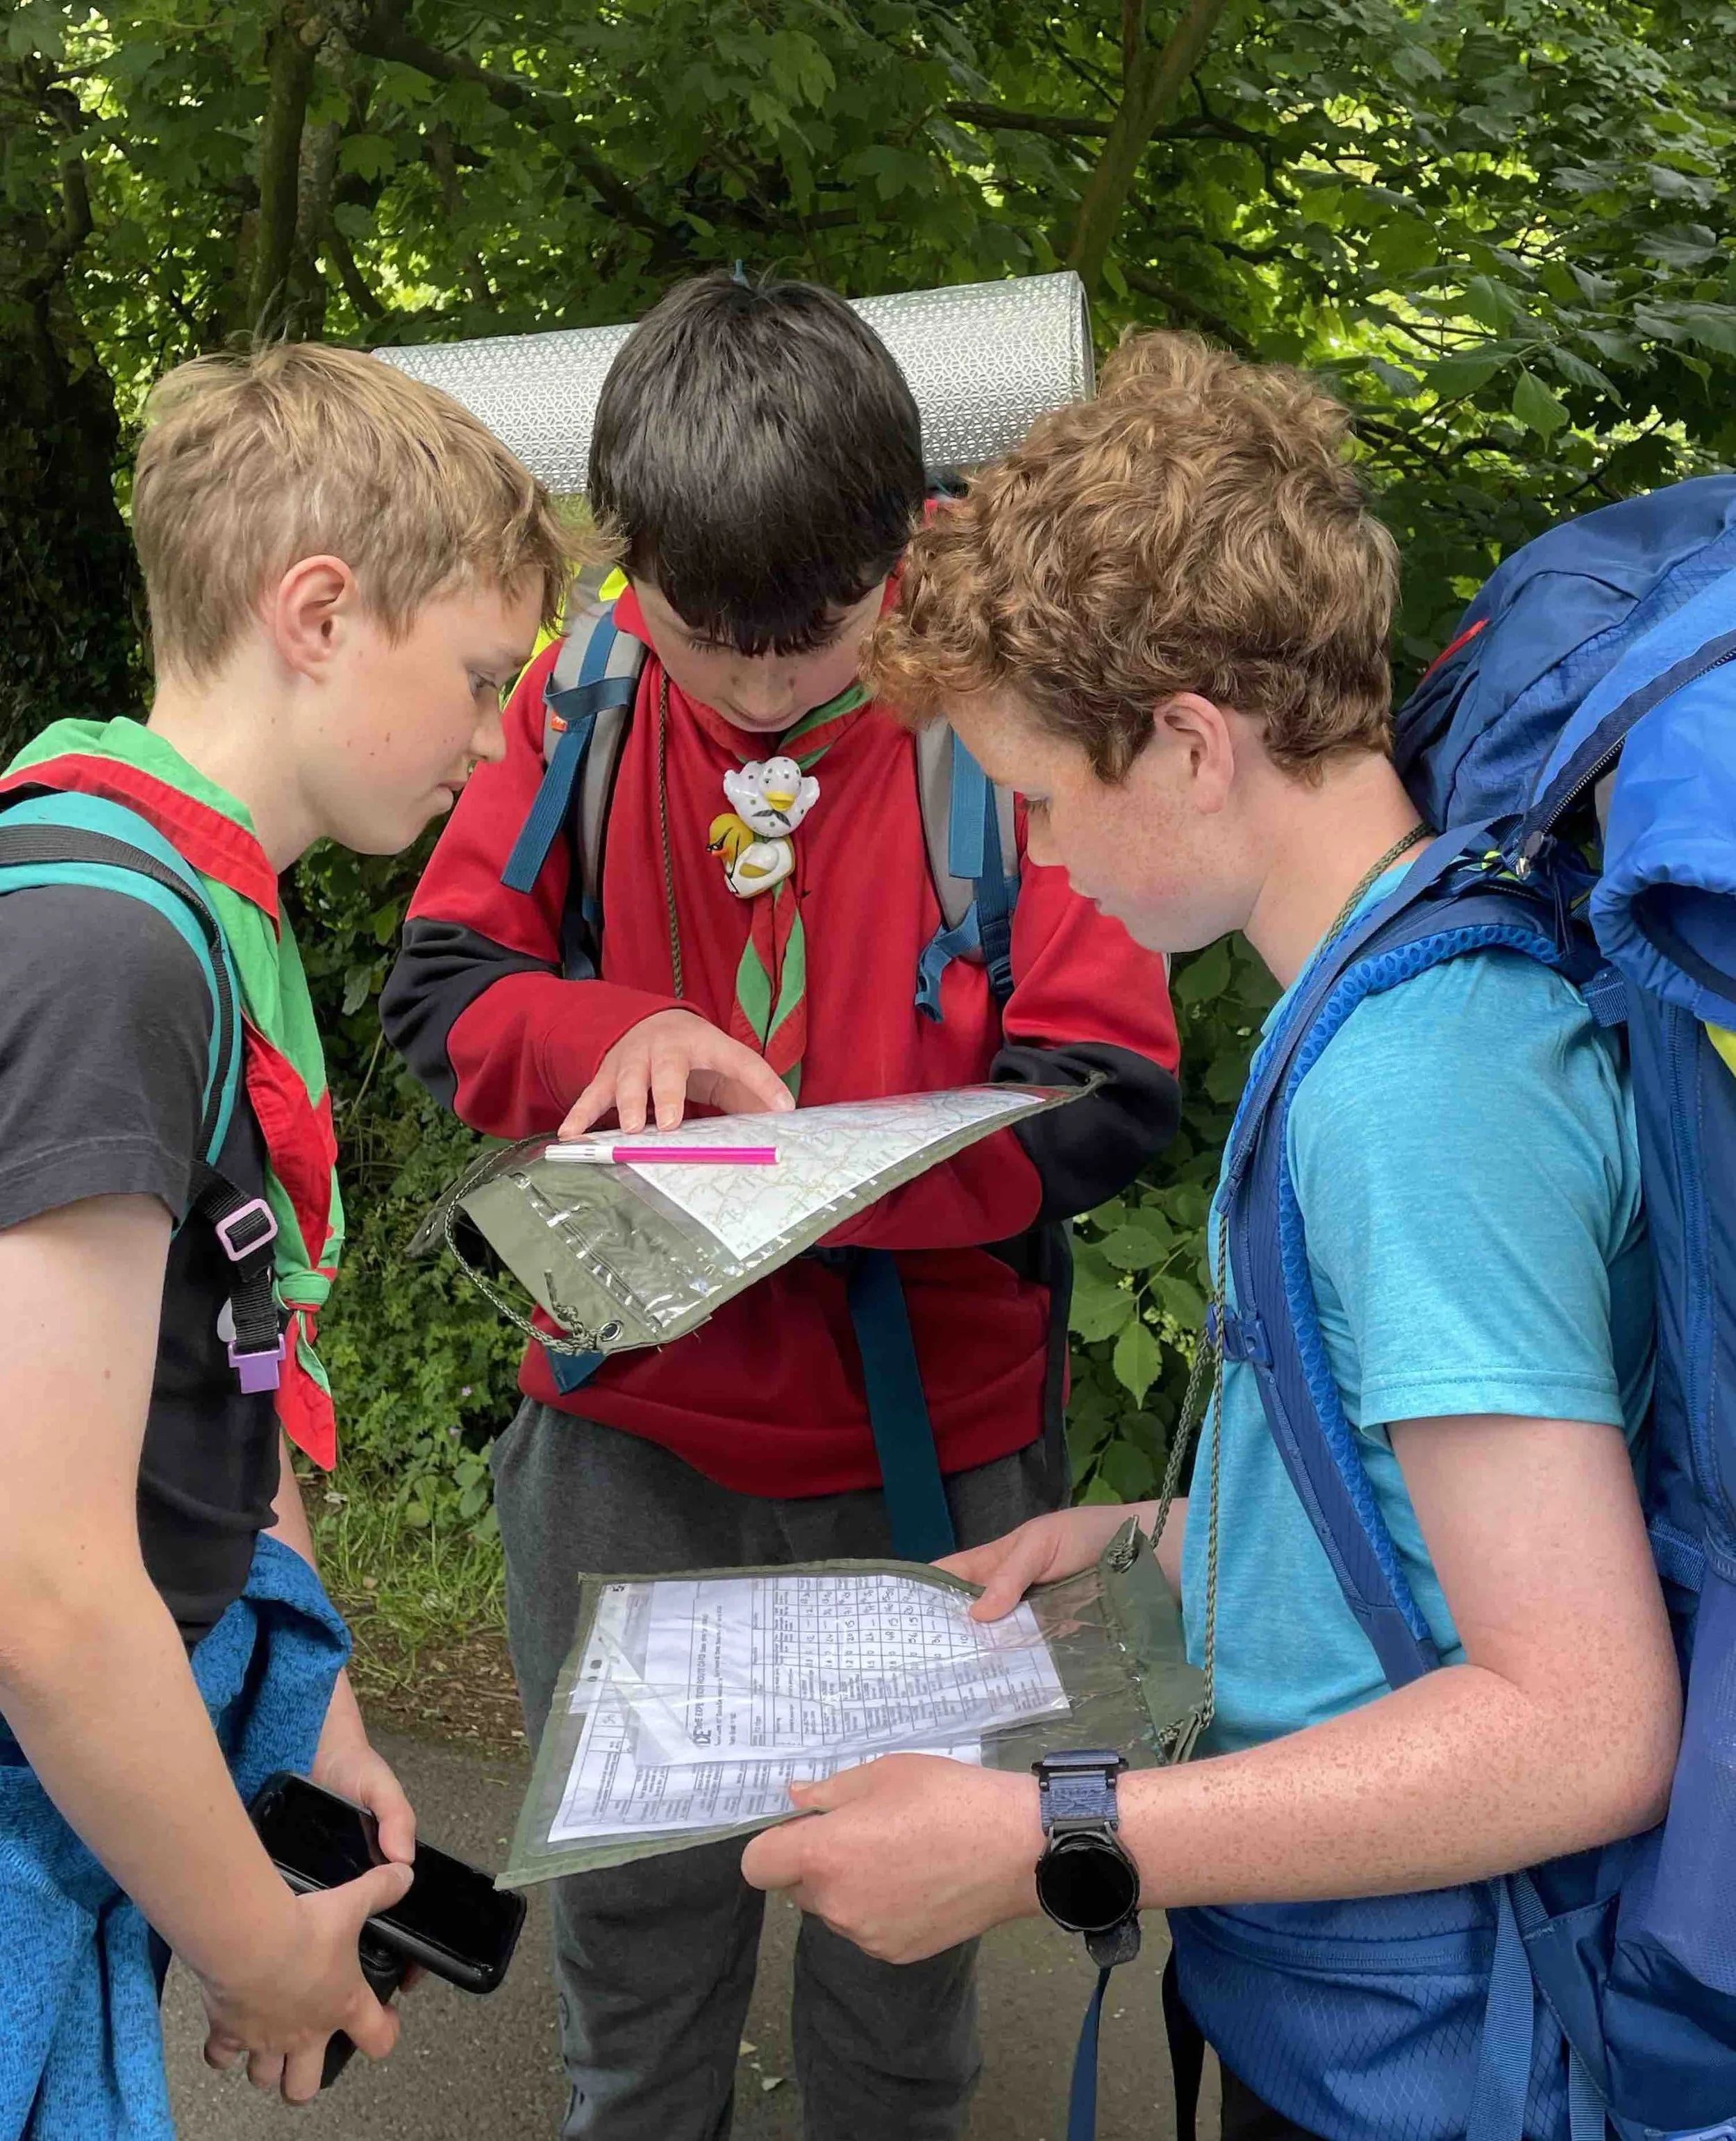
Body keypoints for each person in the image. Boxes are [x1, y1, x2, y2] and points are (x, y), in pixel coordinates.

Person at [740, 331, 1683, 2140]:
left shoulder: (1416, 1083)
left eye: (1032, 793)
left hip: (1436, 2055)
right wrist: (1173, 1531)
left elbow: (1578, 1718)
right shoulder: (1394, 985)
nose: (1019, 855)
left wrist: (1053, 1842)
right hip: (1351, 2007)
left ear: (1184, 741)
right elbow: (1428, 1512)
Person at [381, 270, 1182, 2141]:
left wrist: (821, 1186)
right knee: (637, 1951)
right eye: (705, 632)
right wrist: (613, 1028)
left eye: (811, 631)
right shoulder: (577, 693)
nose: (760, 682)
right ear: (625, 554)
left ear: (903, 540)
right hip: (623, 1454)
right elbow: (442, 995)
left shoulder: (1003, 710)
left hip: (936, 1471)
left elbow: (1107, 1088)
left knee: (901, 1975)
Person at [0, 342, 571, 2134]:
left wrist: (301, 1696)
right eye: (482, 679)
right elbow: (41, 1580)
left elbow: (242, 1344)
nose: (498, 740)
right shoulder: (106, 951)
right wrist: (256, 1943)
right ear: (320, 613)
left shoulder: (211, 927)